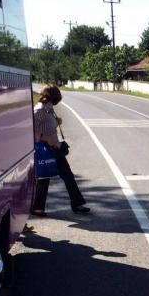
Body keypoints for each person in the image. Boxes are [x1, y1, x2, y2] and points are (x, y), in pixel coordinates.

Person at [31, 85, 90, 216]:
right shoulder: (40, 110)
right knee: (49, 177)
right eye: (58, 95)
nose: (60, 97)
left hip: (55, 148)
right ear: (53, 96)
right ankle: (75, 204)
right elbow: (31, 129)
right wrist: (45, 138)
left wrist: (56, 121)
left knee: (55, 176)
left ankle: (40, 208)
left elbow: (46, 125)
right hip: (47, 149)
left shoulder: (48, 108)